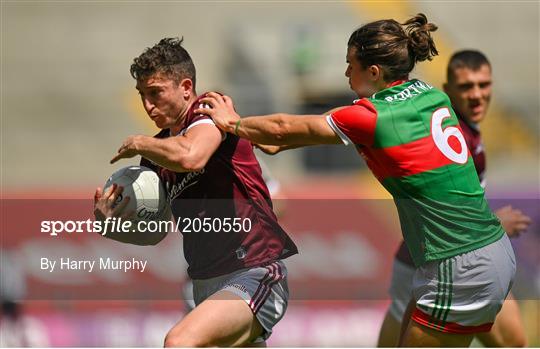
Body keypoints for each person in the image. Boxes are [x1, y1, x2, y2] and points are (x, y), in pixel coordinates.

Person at [196, 14, 517, 347]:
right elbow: (297, 133)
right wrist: (280, 139)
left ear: (374, 72)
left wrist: (233, 123)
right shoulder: (429, 94)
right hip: (484, 250)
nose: (347, 73)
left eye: (351, 65)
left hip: (459, 260)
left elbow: (284, 126)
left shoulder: (374, 115)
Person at [93, 37, 298, 347]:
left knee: (179, 341)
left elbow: (192, 156)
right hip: (205, 284)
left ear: (186, 87)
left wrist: (139, 142)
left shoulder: (210, 112)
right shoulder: (156, 156)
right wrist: (110, 225)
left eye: (156, 93)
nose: (148, 105)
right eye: (142, 95)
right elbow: (155, 232)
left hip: (253, 271)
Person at [377, 50, 531, 347]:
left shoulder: (465, 132)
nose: (476, 95)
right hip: (430, 263)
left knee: (513, 342)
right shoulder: (448, 134)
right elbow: (436, 208)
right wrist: (498, 222)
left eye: (483, 85)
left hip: (464, 260)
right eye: (465, 87)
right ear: (448, 90)